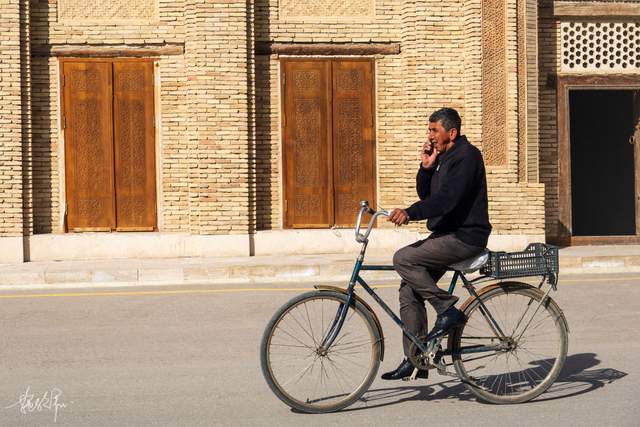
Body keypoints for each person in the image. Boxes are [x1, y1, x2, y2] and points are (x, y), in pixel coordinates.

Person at [381, 107, 492, 381]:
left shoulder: (467, 157)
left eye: (434, 131)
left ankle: (447, 309)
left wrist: (410, 212)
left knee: (403, 259)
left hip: (466, 237)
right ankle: (417, 358)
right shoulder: (444, 157)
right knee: (409, 290)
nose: (429, 136)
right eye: (429, 130)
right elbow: (427, 193)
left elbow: (447, 200)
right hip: (446, 235)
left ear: (451, 133)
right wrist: (426, 168)